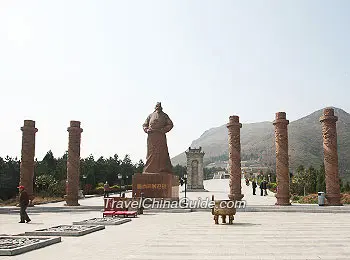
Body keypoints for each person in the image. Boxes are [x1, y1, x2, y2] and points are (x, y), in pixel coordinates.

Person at [142, 102, 174, 174]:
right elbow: (144, 125)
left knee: (162, 153)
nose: (158, 107)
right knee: (151, 153)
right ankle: (149, 169)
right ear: (155, 107)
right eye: (157, 106)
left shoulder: (165, 116)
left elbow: (170, 124)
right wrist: (146, 129)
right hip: (151, 137)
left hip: (160, 136)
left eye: (159, 106)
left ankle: (163, 169)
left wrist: (163, 130)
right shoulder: (150, 116)